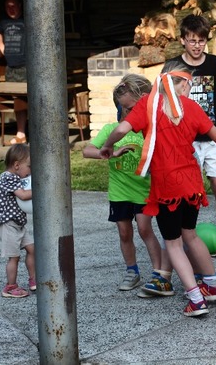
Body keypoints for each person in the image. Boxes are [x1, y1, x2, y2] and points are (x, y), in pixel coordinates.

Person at [98, 65, 216, 317]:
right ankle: (212, 285)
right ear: (182, 85)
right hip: (192, 183)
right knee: (191, 235)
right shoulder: (191, 106)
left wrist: (107, 146)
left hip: (168, 187)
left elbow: (122, 129)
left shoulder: (147, 106)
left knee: (173, 243)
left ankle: (196, 299)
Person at [82, 74, 166, 294]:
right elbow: (87, 151)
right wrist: (110, 152)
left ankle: (159, 273)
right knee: (124, 233)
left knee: (145, 230)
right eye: (124, 108)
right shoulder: (111, 129)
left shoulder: (149, 130)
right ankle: (132, 270)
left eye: (131, 108)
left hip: (144, 191)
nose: (128, 112)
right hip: (120, 192)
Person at [164, 15, 216, 247]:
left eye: (201, 41)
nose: (197, 45)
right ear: (182, 40)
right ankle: (187, 233)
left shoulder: (214, 63)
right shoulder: (173, 66)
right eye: (192, 40)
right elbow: (166, 99)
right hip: (186, 138)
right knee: (188, 188)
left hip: (213, 134)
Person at [0, 143, 36, 298]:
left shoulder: (18, 177)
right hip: (7, 224)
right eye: (29, 166)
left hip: (18, 223)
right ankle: (10, 287)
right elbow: (23, 196)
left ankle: (34, 279)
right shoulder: (7, 177)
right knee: (14, 256)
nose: (31, 170)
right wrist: (41, 188)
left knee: (32, 249)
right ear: (17, 165)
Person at [0, 0, 28, 144]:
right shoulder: (4, 23)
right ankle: (21, 134)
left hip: (26, 67)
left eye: (13, 6)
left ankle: (37, 133)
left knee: (31, 101)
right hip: (11, 68)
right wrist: (1, 47)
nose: (11, 9)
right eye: (8, 6)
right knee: (18, 103)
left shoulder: (27, 20)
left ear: (19, 5)